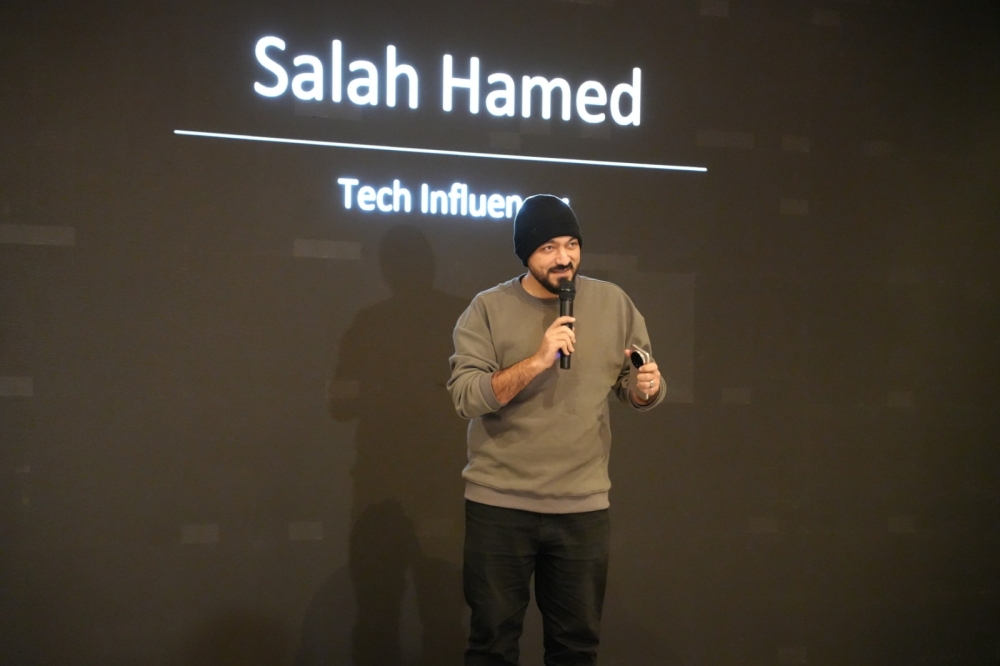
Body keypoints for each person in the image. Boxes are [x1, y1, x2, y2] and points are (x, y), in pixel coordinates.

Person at [447, 194, 665, 666]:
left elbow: (633, 379)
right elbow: (466, 396)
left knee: (576, 648)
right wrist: (538, 360)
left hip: (581, 508)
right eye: (548, 248)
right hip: (500, 506)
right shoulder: (488, 308)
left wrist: (646, 389)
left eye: (571, 244)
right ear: (525, 253)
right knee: (491, 645)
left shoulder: (614, 303)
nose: (563, 258)